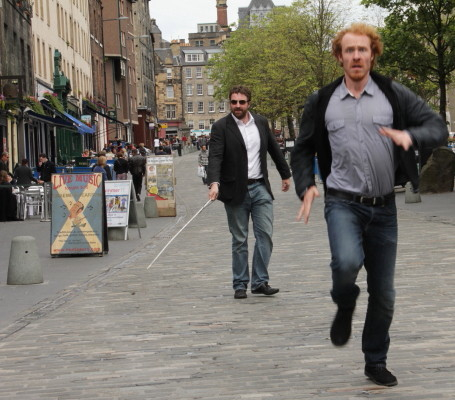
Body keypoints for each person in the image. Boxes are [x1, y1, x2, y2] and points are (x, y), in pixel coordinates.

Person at [290, 23, 448, 387]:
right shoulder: (323, 99)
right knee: (345, 264)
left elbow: (437, 127)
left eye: (363, 50)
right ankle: (345, 303)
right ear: (339, 56)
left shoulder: (393, 94)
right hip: (342, 202)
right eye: (349, 50)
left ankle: (375, 360)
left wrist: (410, 135)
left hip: (384, 208)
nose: (356, 56)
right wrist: (306, 186)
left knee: (385, 293)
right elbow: (303, 148)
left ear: (372, 54)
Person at [207, 85, 292, 300]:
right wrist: (214, 183)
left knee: (265, 235)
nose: (237, 106)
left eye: (241, 102)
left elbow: (273, 148)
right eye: (234, 102)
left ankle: (260, 281)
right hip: (235, 189)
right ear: (230, 103)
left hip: (260, 187)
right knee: (240, 238)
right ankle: (240, 283)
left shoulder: (261, 123)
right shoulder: (221, 127)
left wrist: (285, 174)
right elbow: (215, 156)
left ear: (249, 104)